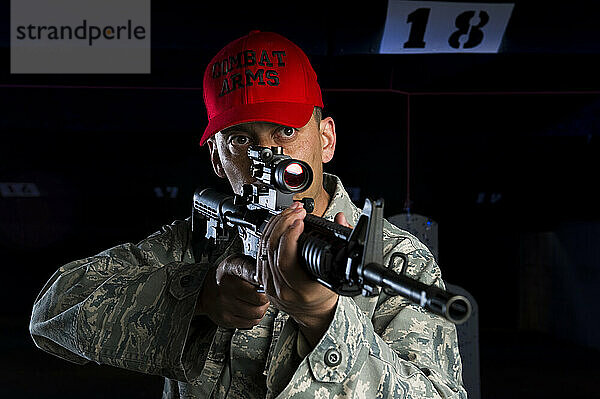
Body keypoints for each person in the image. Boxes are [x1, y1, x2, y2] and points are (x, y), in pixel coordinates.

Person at [30, 31, 467, 398]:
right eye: (241, 140)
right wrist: (197, 296)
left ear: (327, 139)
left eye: (288, 131)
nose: (269, 154)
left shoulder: (394, 260)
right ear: (218, 160)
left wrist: (325, 319)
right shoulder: (194, 244)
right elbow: (51, 315)